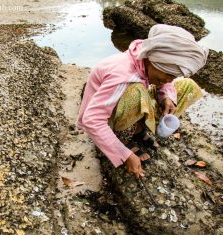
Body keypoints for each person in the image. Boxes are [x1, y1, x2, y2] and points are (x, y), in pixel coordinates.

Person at [77, 24, 209, 179]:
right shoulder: (122, 75)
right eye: (169, 74)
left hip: (124, 104)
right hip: (107, 122)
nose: (170, 79)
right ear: (153, 61)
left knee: (188, 86)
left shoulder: (147, 59)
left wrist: (167, 96)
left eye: (174, 75)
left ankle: (138, 130)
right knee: (137, 92)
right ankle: (123, 139)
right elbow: (92, 120)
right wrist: (124, 155)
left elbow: (167, 80)